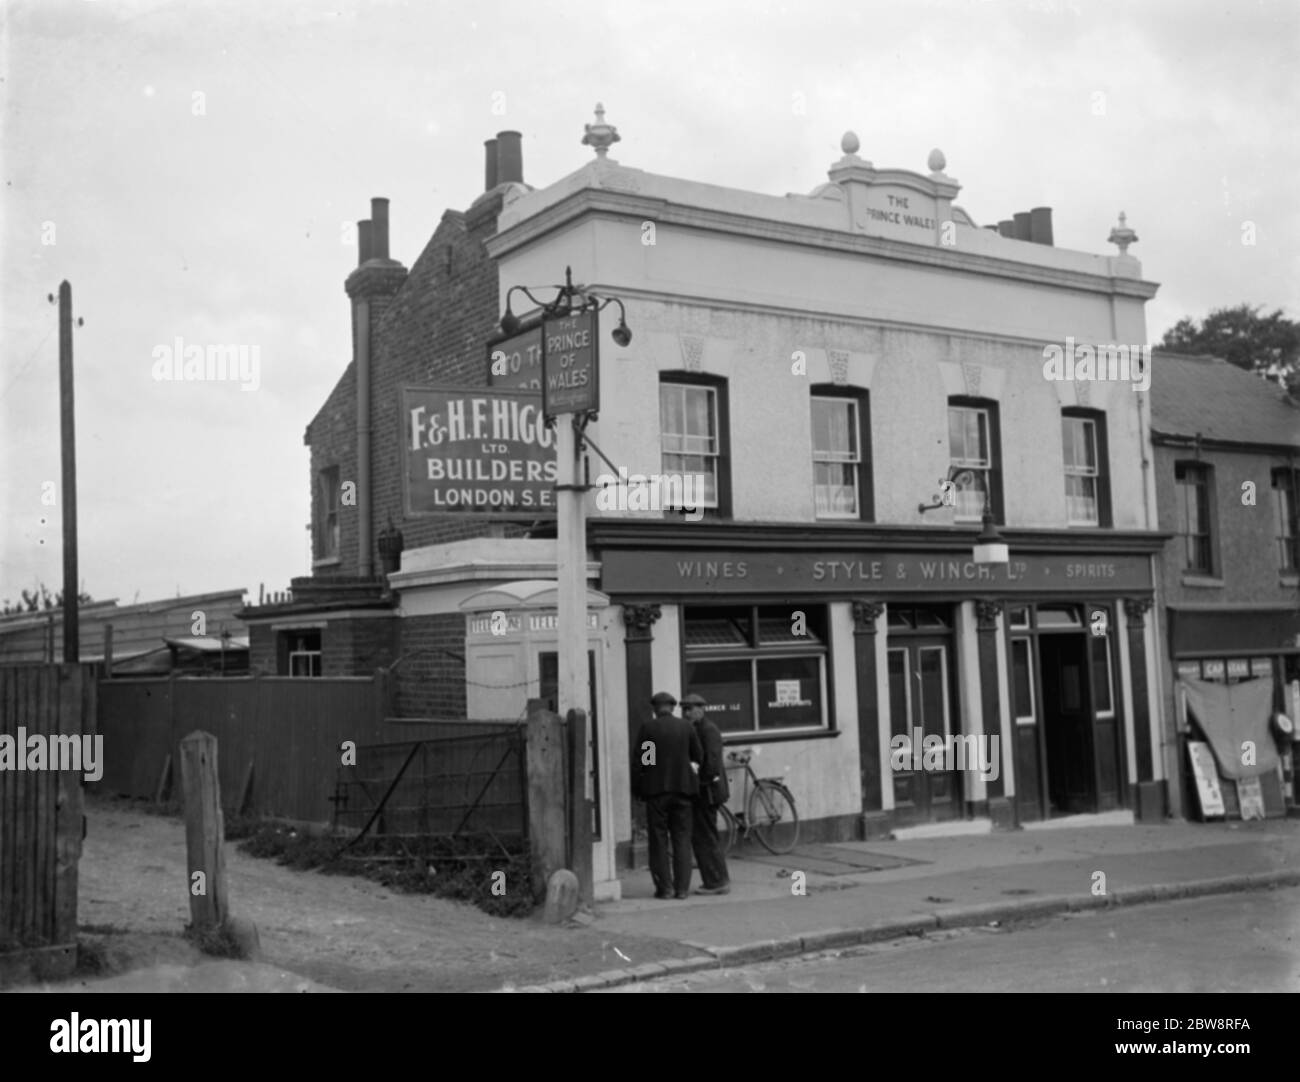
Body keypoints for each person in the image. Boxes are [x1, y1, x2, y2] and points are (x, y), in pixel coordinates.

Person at [632, 691, 702, 899]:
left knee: (659, 841)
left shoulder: (649, 729)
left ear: (655, 709)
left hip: (657, 792)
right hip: (683, 791)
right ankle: (682, 889)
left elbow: (646, 762)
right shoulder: (686, 727)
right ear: (672, 707)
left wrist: (639, 789)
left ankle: (665, 888)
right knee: (682, 839)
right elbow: (698, 756)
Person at [682, 692, 731, 895]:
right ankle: (716, 879)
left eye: (689, 709)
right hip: (706, 790)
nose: (686, 713)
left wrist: (698, 782)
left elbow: (711, 763)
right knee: (705, 836)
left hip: (707, 791)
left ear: (701, 709)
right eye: (684, 709)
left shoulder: (707, 730)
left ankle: (716, 881)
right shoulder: (699, 728)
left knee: (706, 837)